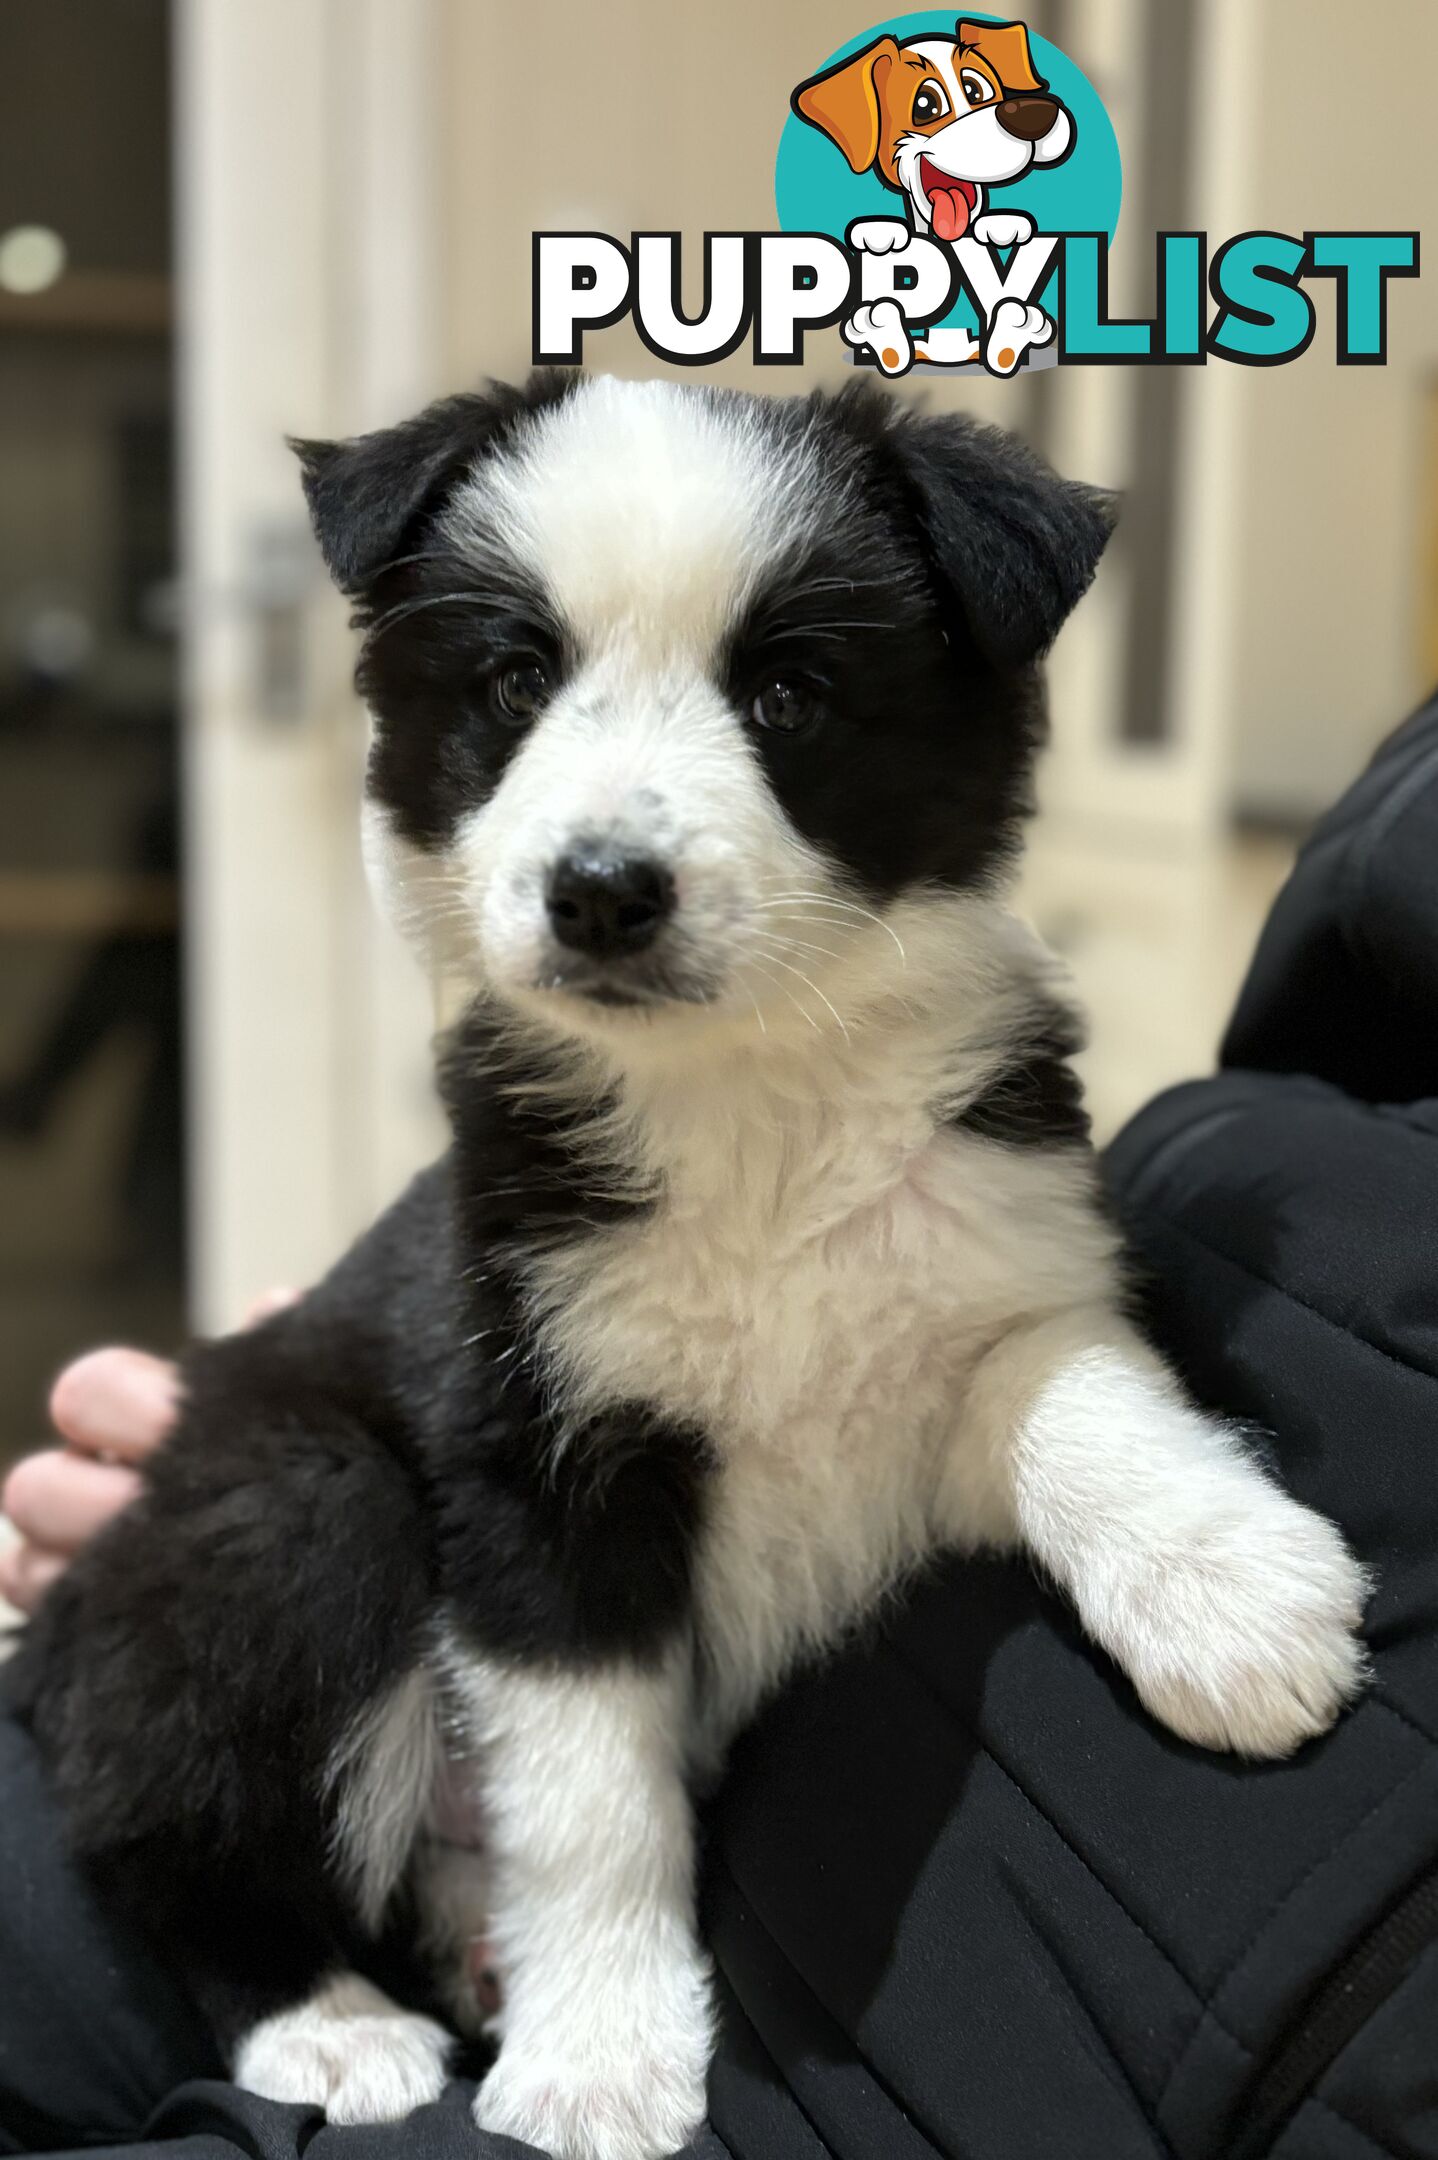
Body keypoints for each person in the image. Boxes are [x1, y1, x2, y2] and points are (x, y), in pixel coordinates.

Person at [4, 700, 1437, 2160]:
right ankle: (268, 1966)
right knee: (287, 1542)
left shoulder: (977, 1078)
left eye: (778, 701)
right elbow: (517, 1502)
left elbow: (964, 1373)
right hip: (357, 1770)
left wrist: (1131, 1499)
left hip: (775, 1976)